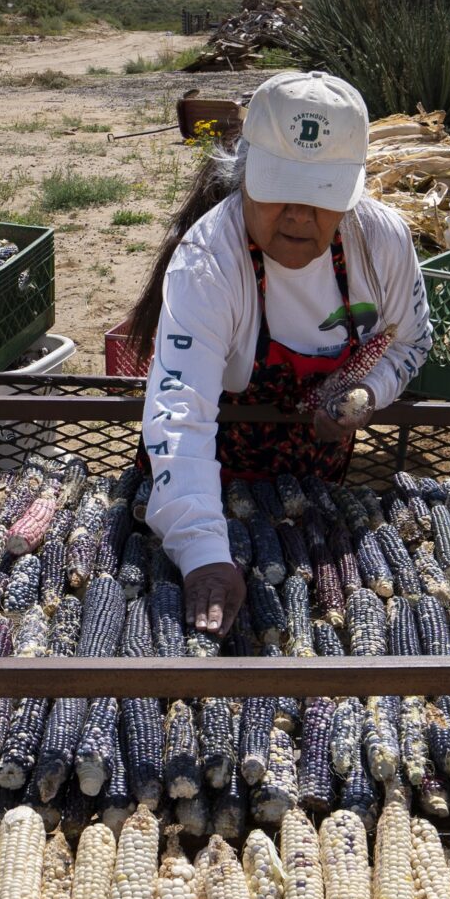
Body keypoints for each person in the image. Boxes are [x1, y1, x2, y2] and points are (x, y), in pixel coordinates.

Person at [136, 71, 429, 637]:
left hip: (312, 491)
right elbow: (179, 410)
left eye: (321, 198)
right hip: (201, 479)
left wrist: (370, 392)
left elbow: (412, 342)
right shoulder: (209, 262)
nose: (298, 216)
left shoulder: (383, 243)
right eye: (278, 192)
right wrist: (202, 552)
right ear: (243, 174)